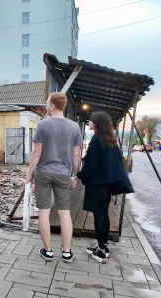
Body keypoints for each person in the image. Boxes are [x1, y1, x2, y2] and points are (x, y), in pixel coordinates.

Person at [25, 92, 82, 263]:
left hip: (43, 173)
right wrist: (74, 176)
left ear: (52, 106)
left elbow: (36, 152)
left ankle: (48, 251)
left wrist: (29, 175)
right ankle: (66, 253)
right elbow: (76, 155)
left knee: (44, 212)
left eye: (47, 103)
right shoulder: (74, 127)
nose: (45, 105)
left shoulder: (43, 125)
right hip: (64, 174)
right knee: (65, 213)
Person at [77, 111, 125, 263]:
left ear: (96, 123)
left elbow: (91, 164)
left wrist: (79, 176)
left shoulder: (97, 140)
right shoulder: (110, 140)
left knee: (99, 216)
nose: (89, 122)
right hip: (107, 185)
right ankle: (102, 245)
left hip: (97, 185)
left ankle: (102, 251)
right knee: (103, 215)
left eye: (90, 120)